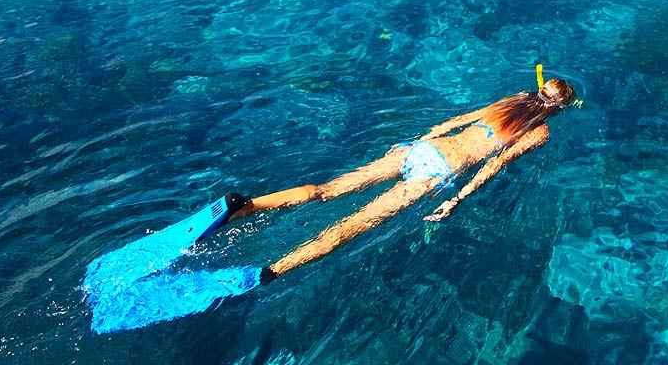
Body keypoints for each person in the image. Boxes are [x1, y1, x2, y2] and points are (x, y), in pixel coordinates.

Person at [229, 77, 577, 282]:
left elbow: (451, 123)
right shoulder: (539, 133)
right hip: (435, 174)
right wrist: (456, 199)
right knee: (351, 227)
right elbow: (494, 165)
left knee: (324, 191)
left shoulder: (507, 103)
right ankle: (272, 271)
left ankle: (247, 205)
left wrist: (420, 140)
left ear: (537, 89)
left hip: (418, 151)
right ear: (559, 109)